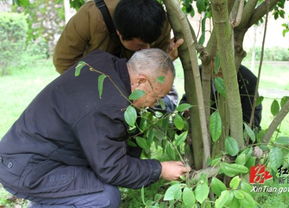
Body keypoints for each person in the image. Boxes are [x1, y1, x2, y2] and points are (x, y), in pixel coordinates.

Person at [0, 49, 190, 208]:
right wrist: (160, 169)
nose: (153, 104)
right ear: (140, 81)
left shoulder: (103, 63)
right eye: (156, 97)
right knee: (104, 197)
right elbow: (112, 169)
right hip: (28, 169)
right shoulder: (108, 107)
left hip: (25, 152)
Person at [53, 0, 183, 112]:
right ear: (119, 34)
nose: (147, 50)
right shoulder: (90, 17)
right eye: (140, 46)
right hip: (95, 87)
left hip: (137, 90)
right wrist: (103, 89)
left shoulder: (160, 22)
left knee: (166, 106)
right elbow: (63, 62)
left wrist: (166, 57)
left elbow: (153, 67)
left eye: (151, 43)